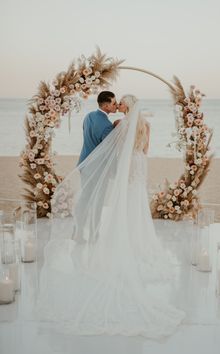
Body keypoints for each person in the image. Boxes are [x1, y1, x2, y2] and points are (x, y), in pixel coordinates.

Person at [37, 95, 185, 340]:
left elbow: (114, 148)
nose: (118, 107)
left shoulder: (117, 124)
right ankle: (134, 237)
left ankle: (101, 232)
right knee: (137, 202)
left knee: (120, 202)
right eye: (115, 103)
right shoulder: (146, 125)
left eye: (121, 104)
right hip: (139, 165)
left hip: (126, 166)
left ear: (125, 106)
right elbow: (145, 150)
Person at [78, 91, 117, 165]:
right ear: (106, 106)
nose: (117, 105)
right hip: (95, 165)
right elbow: (108, 150)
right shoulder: (108, 126)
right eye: (114, 103)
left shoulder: (88, 116)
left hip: (83, 161)